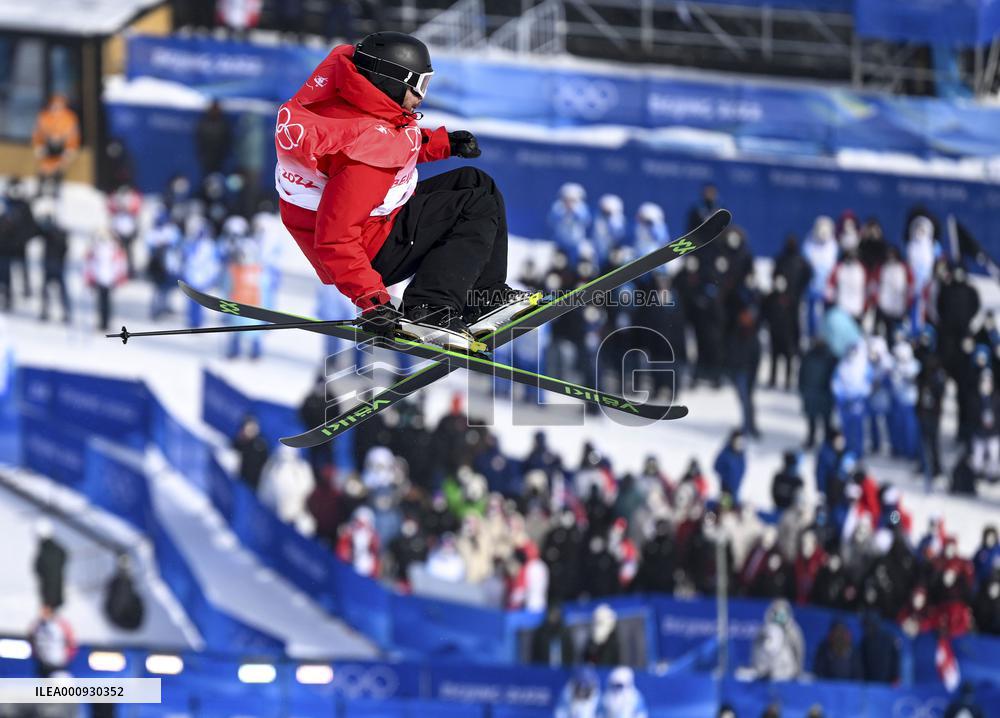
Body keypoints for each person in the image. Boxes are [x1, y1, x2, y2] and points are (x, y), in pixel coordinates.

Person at [275, 32, 535, 351]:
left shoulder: (350, 102)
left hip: (374, 226)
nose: (421, 96)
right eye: (419, 85)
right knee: (475, 205)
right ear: (392, 82)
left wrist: (442, 144)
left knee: (475, 182)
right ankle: (429, 309)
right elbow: (335, 238)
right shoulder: (364, 159)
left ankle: (482, 300)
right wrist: (372, 299)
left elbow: (390, 140)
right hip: (370, 253)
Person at [32, 95, 80, 197]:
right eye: (54, 104)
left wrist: (70, 148)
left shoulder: (69, 117)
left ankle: (56, 189)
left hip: (62, 146)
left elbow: (73, 134)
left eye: (59, 104)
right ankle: (40, 190)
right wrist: (38, 145)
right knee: (44, 168)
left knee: (59, 167)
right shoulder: (44, 116)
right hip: (47, 146)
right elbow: (38, 132)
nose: (56, 107)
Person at [35, 198, 71, 324]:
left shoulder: (57, 233)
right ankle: (47, 311)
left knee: (60, 291)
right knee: (48, 291)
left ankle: (65, 312)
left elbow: (65, 249)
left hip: (56, 265)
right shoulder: (51, 232)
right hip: (50, 264)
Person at [84, 230, 128, 332]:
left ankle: (106, 323)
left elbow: (119, 263)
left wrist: (119, 276)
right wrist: (90, 276)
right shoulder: (96, 249)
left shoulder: (114, 249)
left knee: (106, 302)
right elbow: (90, 262)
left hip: (109, 278)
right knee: (101, 302)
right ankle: (102, 323)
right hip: (100, 277)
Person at [750, 598, 804, 681]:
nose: (780, 617)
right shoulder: (764, 630)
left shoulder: (793, 631)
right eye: (777, 613)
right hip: (766, 671)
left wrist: (797, 672)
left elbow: (798, 651)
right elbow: (755, 650)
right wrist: (756, 667)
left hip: (786, 672)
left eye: (783, 614)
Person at [798, 338, 837, 448]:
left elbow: (801, 374)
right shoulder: (829, 357)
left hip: (820, 394)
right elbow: (802, 374)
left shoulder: (829, 358)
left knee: (822, 421)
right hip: (818, 394)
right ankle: (815, 440)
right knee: (818, 421)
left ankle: (823, 441)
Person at [549, 183, 592, 264]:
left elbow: (586, 221)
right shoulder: (557, 207)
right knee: (559, 263)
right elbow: (552, 221)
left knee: (574, 263)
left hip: (576, 242)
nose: (569, 202)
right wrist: (563, 213)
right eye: (567, 199)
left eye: (572, 200)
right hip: (560, 241)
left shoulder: (581, 208)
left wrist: (574, 213)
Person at [29, 606, 76, 678]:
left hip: (58, 666)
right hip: (42, 667)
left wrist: (67, 657)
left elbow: (71, 643)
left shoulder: (60, 624)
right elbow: (32, 640)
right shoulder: (37, 626)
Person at [33, 519, 67, 611]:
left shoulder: (46, 554)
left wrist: (49, 603)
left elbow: (51, 579)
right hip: (53, 597)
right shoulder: (57, 550)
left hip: (50, 599)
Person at [859, 611, 900, 683]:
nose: (867, 628)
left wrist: (895, 676)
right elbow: (862, 661)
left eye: (869, 625)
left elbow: (895, 658)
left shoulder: (888, 638)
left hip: (886, 681)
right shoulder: (865, 640)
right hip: (870, 681)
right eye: (866, 625)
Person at [195, 100, 232, 177]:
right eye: (213, 109)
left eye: (216, 109)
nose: (215, 111)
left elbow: (227, 140)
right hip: (207, 156)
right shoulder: (204, 122)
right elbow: (200, 138)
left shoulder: (223, 123)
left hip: (220, 157)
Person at [232, 415, 269, 492]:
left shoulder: (261, 443)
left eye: (251, 428)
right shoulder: (243, 442)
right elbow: (234, 447)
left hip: (255, 483)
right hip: (242, 479)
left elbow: (264, 462)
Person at [714, 430, 747, 501]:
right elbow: (717, 466)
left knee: (736, 506)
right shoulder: (726, 453)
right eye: (738, 442)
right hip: (725, 490)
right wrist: (726, 478)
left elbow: (742, 470)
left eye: (742, 442)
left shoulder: (741, 456)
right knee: (725, 506)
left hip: (736, 490)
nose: (740, 444)